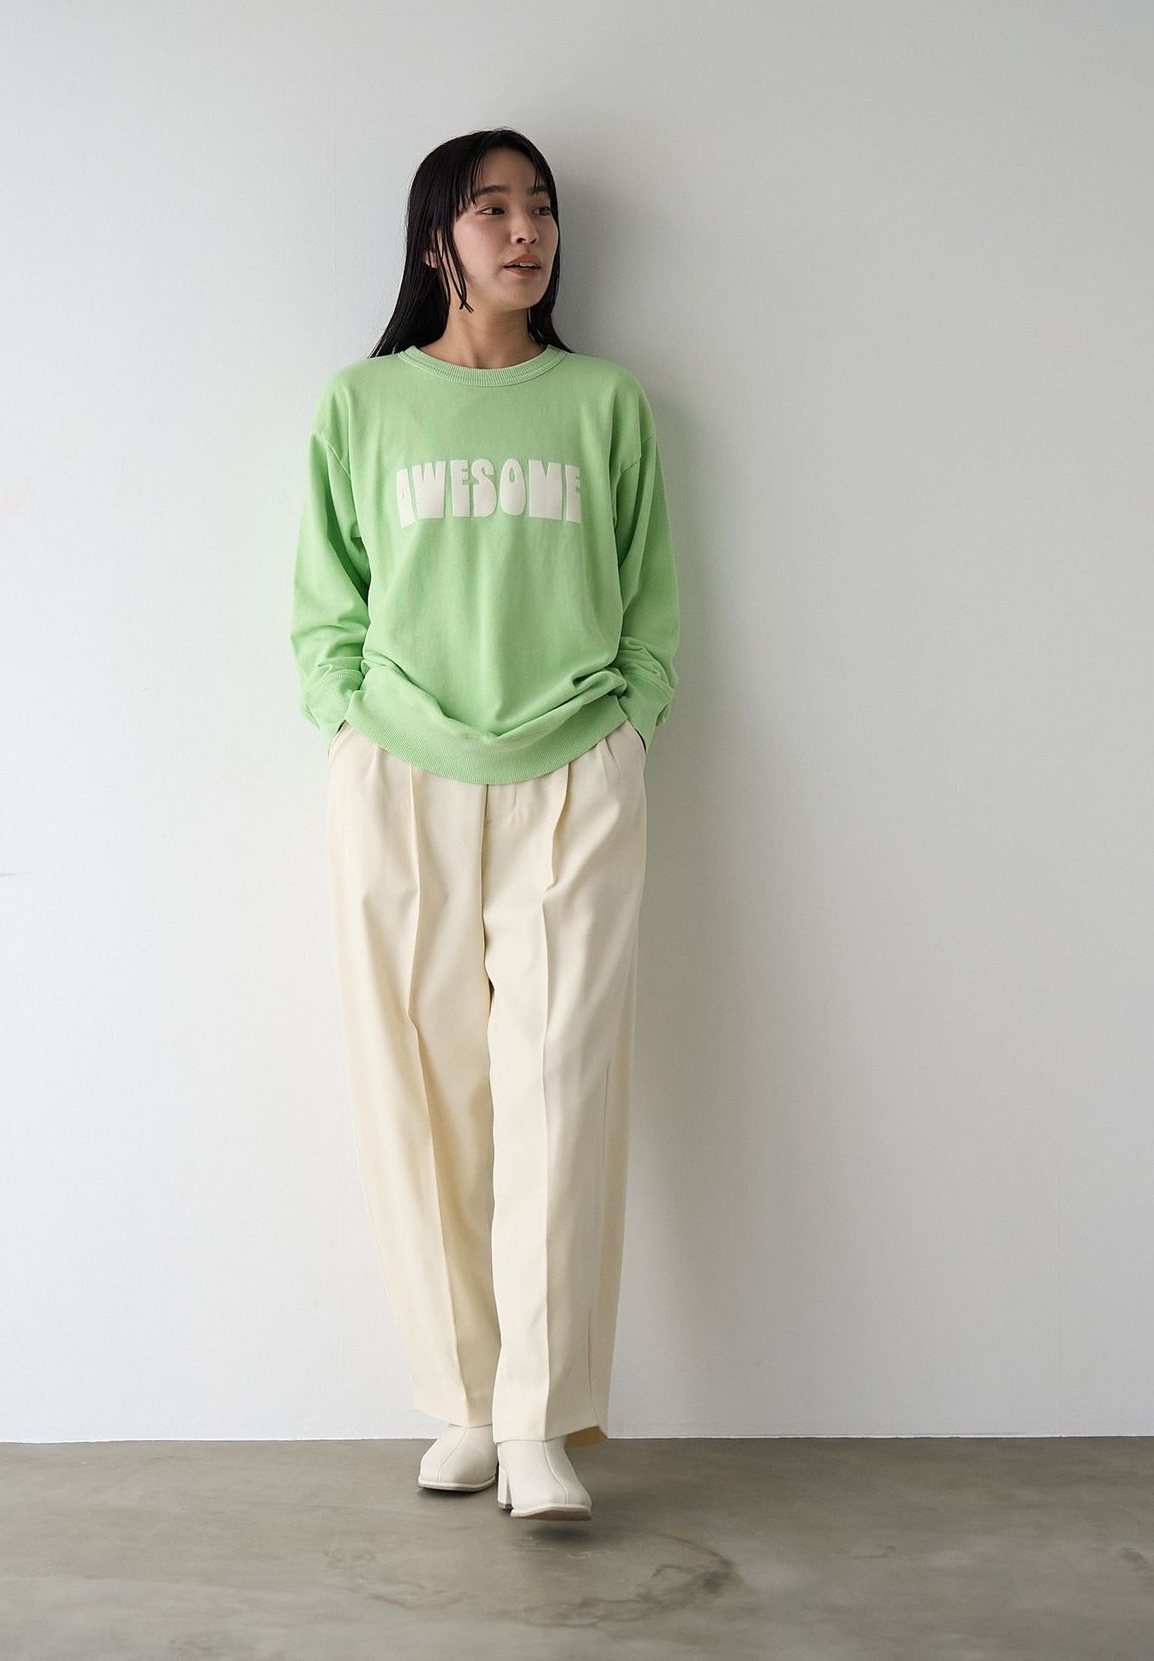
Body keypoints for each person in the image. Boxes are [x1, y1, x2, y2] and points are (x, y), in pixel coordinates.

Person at [290, 129, 680, 1521]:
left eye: (543, 209)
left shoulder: (604, 402)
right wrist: (346, 722)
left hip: (574, 771)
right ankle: (465, 1402)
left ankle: (539, 1423)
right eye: (494, 209)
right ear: (434, 240)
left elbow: (651, 593)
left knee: (557, 1091)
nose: (527, 232)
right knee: (421, 1094)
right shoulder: (362, 404)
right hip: (400, 775)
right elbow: (325, 603)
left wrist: (632, 720)